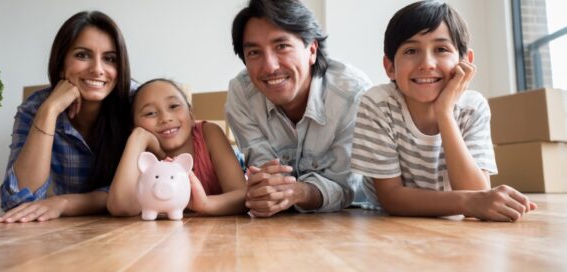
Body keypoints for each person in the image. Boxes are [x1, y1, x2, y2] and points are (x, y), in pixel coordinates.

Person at [351, 1, 537, 221]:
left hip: (451, 219)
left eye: (441, 49)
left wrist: (445, 113)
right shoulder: (378, 103)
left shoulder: (472, 107)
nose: (427, 63)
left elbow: (476, 192)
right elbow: (391, 198)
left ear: (465, 61)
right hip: (386, 219)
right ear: (390, 67)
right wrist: (468, 202)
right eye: (411, 51)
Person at [226, 0, 372, 217]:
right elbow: (266, 175)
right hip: (276, 225)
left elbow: (345, 187)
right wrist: (270, 190)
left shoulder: (352, 95)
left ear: (312, 49)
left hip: (351, 219)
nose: (270, 67)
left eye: (281, 46)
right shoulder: (242, 94)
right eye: (254, 53)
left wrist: (300, 192)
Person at [0, 11, 136, 223]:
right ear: (61, 64)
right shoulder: (36, 107)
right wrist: (49, 111)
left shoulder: (136, 102)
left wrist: (64, 203)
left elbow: (144, 188)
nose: (98, 69)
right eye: (82, 55)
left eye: (110, 59)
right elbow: (17, 201)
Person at [107, 79, 247, 216]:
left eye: (174, 106)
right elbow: (122, 207)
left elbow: (242, 195)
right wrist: (138, 137)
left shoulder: (209, 134)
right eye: (150, 113)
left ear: (191, 114)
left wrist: (205, 204)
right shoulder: (140, 152)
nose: (165, 118)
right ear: (134, 125)